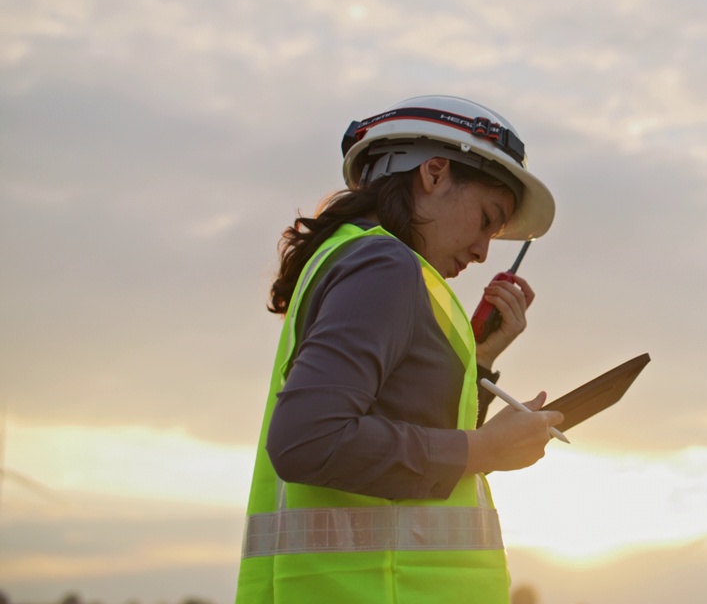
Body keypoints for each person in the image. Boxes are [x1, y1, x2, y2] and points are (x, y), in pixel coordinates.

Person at [235, 95, 564, 604]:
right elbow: (307, 440)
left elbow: (403, 445)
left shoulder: (356, 259)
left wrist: (478, 361)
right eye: (485, 219)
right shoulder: (384, 266)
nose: (481, 252)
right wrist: (486, 450)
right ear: (433, 173)